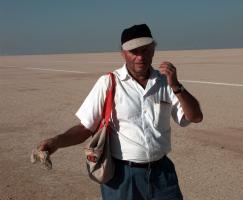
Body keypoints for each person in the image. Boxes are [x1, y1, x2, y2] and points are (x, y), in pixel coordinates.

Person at [38, 24, 203, 200]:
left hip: (162, 174)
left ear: (153, 50)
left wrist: (176, 86)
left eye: (145, 50)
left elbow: (195, 117)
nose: (140, 57)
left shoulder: (165, 83)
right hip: (122, 177)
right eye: (134, 51)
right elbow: (86, 127)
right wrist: (57, 141)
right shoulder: (108, 83)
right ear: (123, 53)